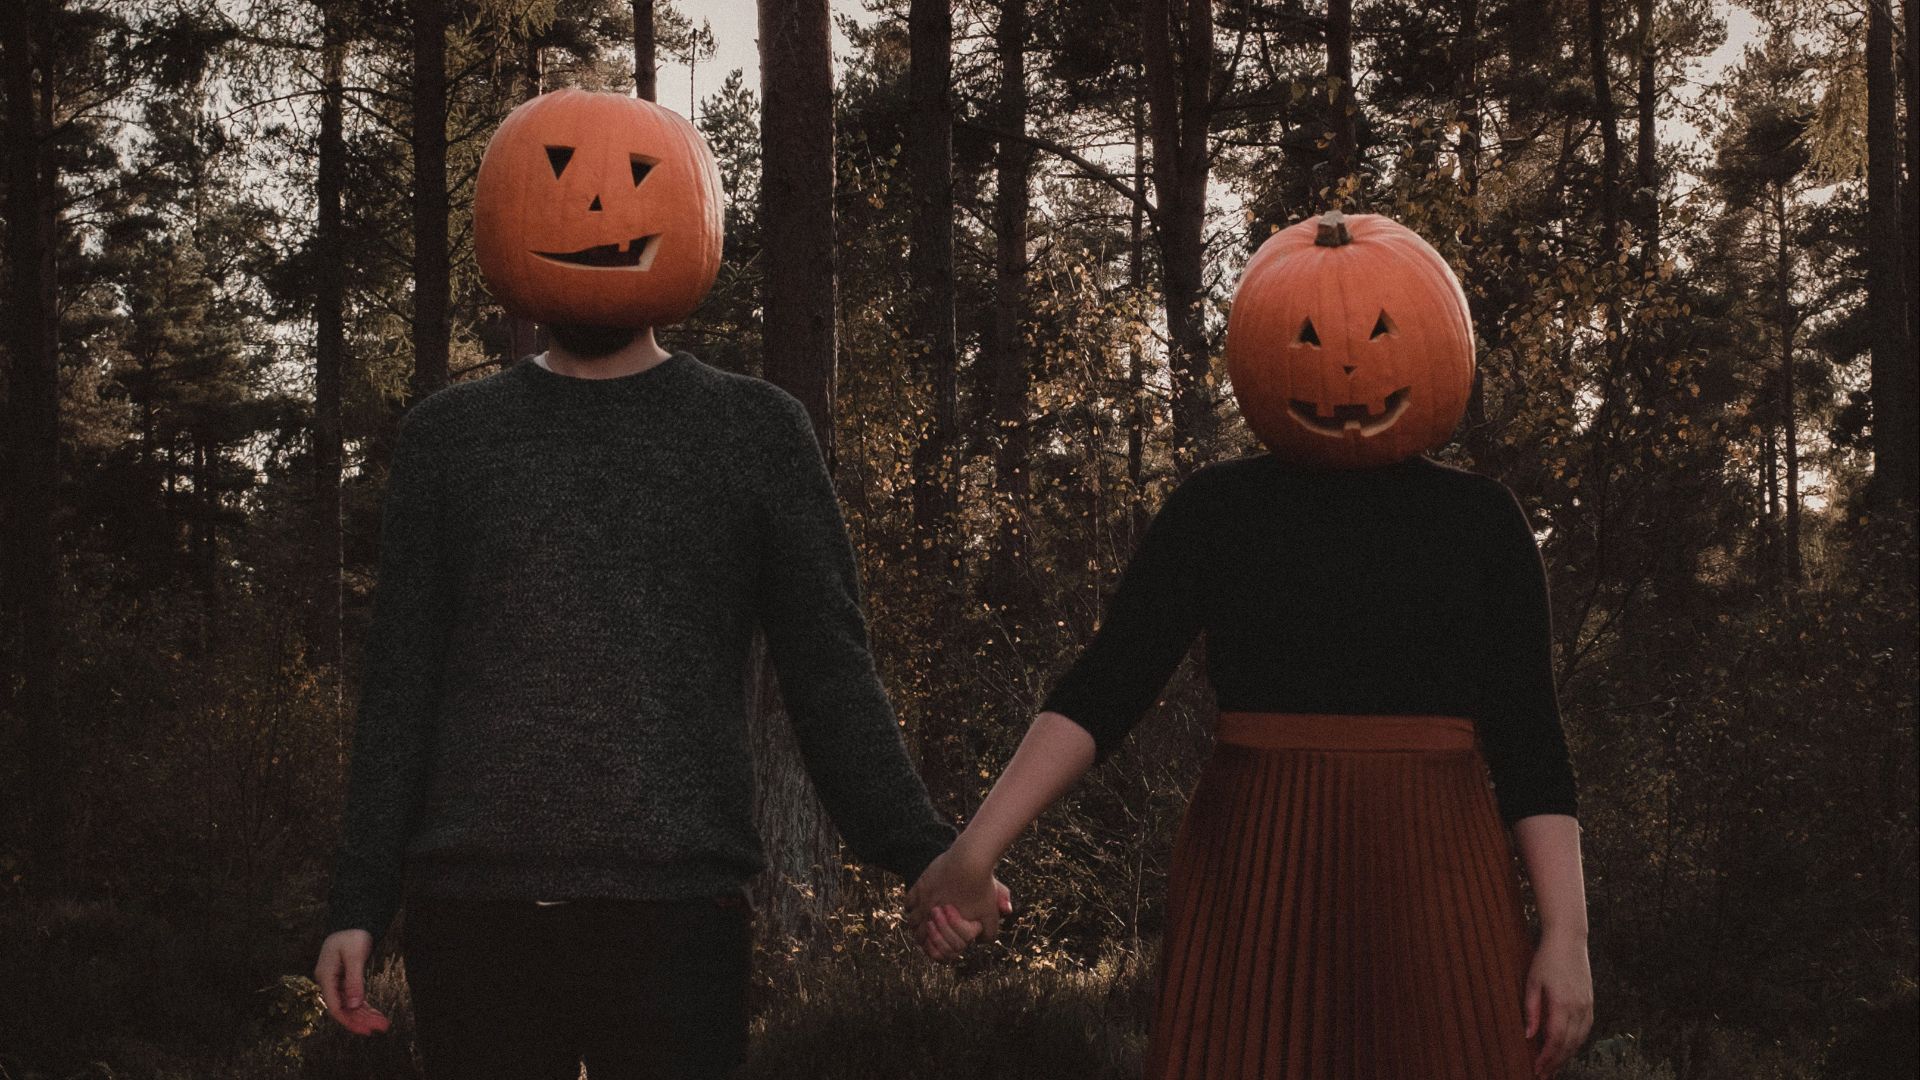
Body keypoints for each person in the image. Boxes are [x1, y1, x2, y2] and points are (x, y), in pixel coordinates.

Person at [311, 88, 1006, 1080]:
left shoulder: (756, 432)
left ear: (688, 207)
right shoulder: (447, 440)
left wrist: (923, 856)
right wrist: (357, 903)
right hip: (475, 909)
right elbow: (399, 686)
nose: (596, 210)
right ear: (505, 222)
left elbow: (829, 671)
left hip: (678, 908)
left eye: (636, 180)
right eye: (557, 176)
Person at [908, 211, 1594, 1079]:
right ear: (1260, 352)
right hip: (1257, 879)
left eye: (1379, 331)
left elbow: (1532, 744)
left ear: (1433, 338)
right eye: (1307, 336)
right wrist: (973, 853)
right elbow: (1104, 691)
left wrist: (1566, 937)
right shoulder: (1217, 512)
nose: (1345, 363)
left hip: (1439, 879)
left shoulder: (1483, 525)